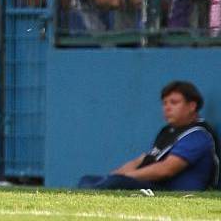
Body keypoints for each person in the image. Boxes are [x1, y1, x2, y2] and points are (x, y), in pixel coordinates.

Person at [79, 81, 219, 191]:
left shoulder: (198, 135)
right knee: (88, 180)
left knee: (116, 182)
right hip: (155, 187)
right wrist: (111, 177)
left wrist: (123, 178)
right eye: (164, 103)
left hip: (173, 193)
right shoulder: (168, 131)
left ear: (192, 106)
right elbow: (143, 159)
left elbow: (166, 169)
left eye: (174, 102)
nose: (167, 108)